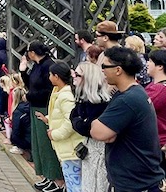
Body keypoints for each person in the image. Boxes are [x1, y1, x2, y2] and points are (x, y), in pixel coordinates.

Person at [91, 46, 165, 191]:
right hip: (138, 181)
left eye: (104, 66)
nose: (102, 70)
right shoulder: (133, 92)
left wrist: (99, 125)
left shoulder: (127, 100)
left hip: (136, 184)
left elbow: (98, 132)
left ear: (118, 70)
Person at [19, 40, 62, 192]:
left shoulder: (47, 65)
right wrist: (23, 72)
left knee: (45, 144)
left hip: (44, 107)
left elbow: (48, 90)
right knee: (38, 143)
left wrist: (30, 96)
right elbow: (30, 84)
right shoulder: (38, 66)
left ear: (32, 53)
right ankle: (46, 175)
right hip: (35, 105)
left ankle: (55, 177)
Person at [36, 61, 83, 192]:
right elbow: (59, 114)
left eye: (50, 75)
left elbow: (70, 121)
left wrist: (55, 134)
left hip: (70, 149)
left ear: (56, 76)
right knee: (71, 181)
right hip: (65, 147)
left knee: (75, 184)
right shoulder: (59, 92)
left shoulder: (66, 96)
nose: (49, 77)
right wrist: (47, 119)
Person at [69, 61, 110, 191]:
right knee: (88, 183)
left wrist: (79, 122)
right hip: (89, 147)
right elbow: (74, 117)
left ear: (88, 78)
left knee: (97, 185)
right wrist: (79, 122)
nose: (73, 76)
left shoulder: (100, 102)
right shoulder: (83, 98)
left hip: (100, 149)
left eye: (77, 74)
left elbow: (86, 128)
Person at [145, 49, 166, 172]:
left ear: (160, 66)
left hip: (157, 145)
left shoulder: (158, 90)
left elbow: (137, 107)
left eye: (150, 61)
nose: (147, 63)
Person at [10, 87, 31, 156]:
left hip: (26, 140)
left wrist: (12, 140)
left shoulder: (17, 111)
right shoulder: (30, 107)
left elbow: (16, 130)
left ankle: (20, 148)